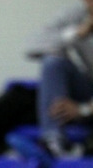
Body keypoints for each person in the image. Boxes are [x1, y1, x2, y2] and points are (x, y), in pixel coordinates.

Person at [21, 0, 93, 157]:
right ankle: (53, 140)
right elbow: (31, 45)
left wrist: (82, 109)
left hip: (88, 107)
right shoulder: (78, 14)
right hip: (87, 90)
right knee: (53, 61)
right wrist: (77, 33)